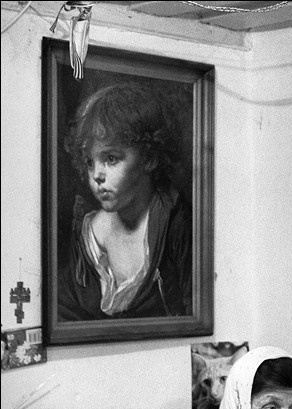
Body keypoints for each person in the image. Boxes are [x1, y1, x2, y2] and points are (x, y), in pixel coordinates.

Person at [59, 83, 192, 320]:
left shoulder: (175, 220)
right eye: (90, 162)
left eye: (111, 159)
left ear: (149, 158)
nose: (97, 175)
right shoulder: (87, 233)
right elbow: (67, 310)